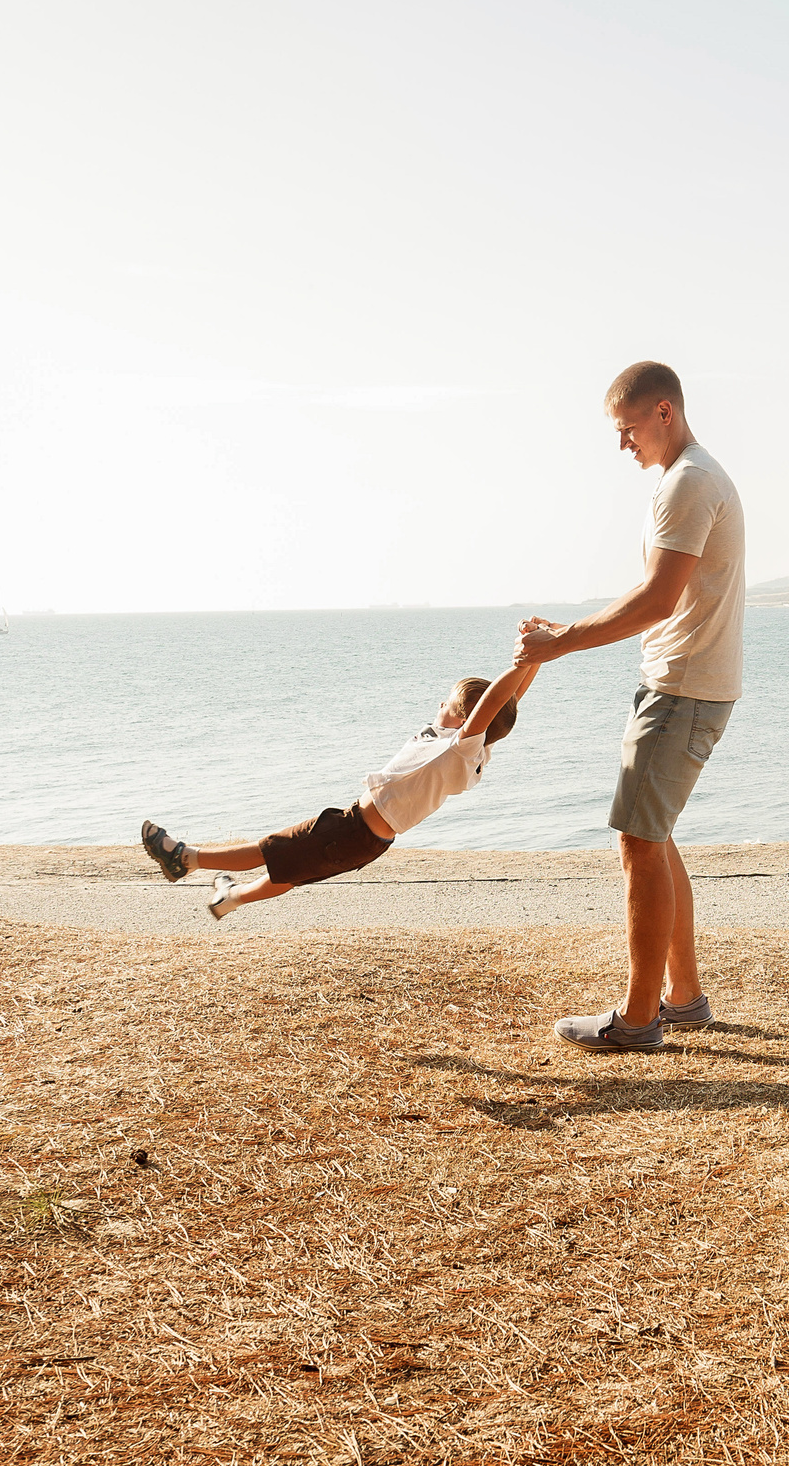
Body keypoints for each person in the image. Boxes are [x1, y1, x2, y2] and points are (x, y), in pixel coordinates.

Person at [516, 360, 745, 1051]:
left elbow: (656, 600)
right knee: (656, 834)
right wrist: (567, 633)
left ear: (663, 412)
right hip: (683, 682)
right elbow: (660, 594)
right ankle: (683, 997)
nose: (622, 443)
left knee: (639, 842)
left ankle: (640, 1018)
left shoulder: (689, 482)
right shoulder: (690, 478)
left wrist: (560, 643)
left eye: (628, 428)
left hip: (683, 687)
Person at [138, 663, 535, 918]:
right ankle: (231, 899)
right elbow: (508, 702)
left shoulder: (460, 747)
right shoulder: (476, 753)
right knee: (293, 869)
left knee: (271, 849)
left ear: (466, 719)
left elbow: (495, 701)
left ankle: (185, 859)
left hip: (353, 829)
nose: (439, 704)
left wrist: (520, 661)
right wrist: (537, 656)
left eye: (446, 703)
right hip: (370, 839)